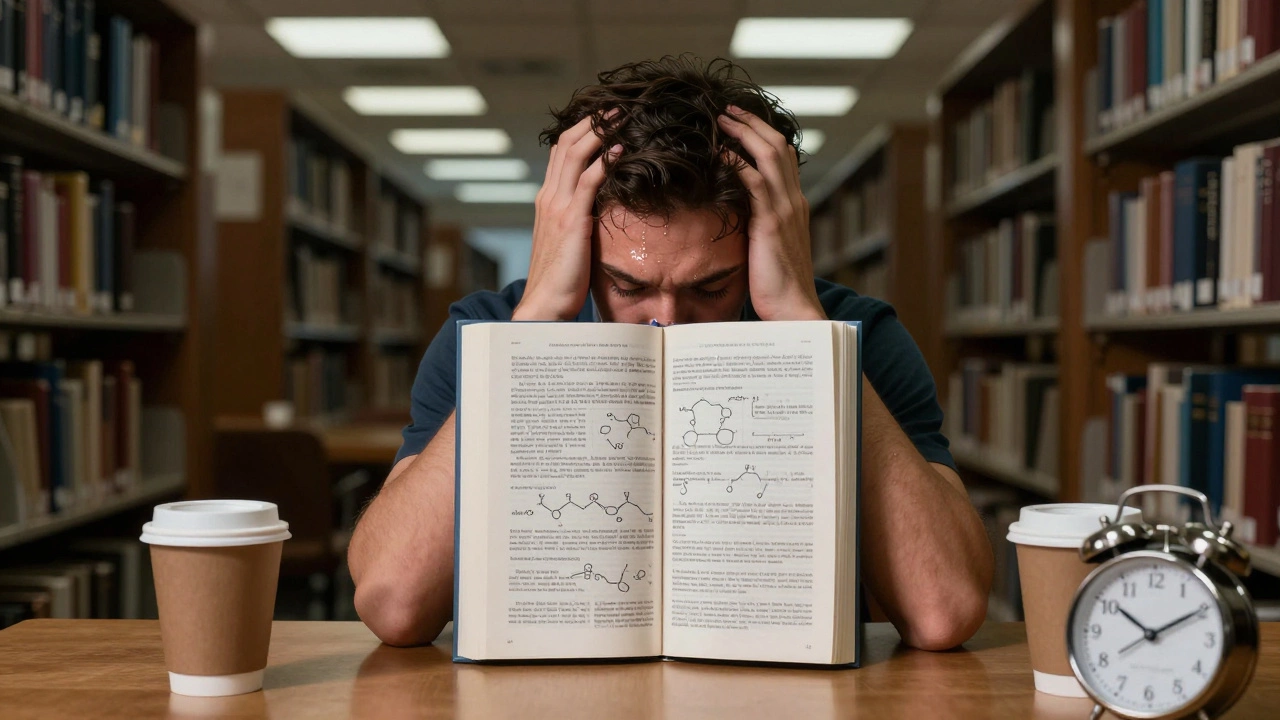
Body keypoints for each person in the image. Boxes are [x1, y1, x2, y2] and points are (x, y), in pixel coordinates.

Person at [348, 55, 993, 651]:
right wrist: (531, 333)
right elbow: (394, 603)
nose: (667, 322)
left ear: (765, 245)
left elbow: (944, 610)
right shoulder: (488, 333)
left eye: (711, 287)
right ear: (575, 244)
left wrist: (807, 332)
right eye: (627, 286)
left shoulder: (859, 338)